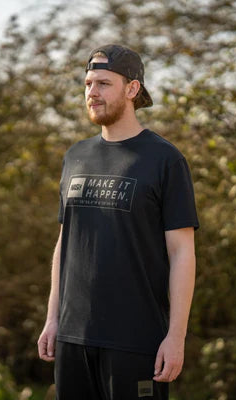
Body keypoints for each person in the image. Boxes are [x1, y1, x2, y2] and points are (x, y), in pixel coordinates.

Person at [37, 44, 199, 400]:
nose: (92, 92)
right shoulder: (75, 156)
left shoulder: (165, 160)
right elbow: (65, 242)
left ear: (132, 89)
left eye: (103, 84)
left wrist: (176, 336)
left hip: (136, 342)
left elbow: (182, 253)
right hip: (73, 339)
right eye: (88, 84)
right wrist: (53, 318)